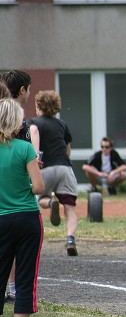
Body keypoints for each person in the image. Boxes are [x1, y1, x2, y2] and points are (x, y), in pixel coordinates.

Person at [0, 98, 45, 317]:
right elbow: (38, 187)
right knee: (26, 280)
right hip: (27, 218)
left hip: (1, 218)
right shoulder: (25, 148)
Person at [0, 71, 41, 304]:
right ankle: (14, 287)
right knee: (19, 246)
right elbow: (37, 184)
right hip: (21, 204)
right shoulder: (18, 121)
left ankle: (10, 286)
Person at [31, 90, 80, 256]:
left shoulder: (33, 123)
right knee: (70, 207)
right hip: (65, 168)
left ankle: (51, 204)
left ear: (39, 106)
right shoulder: (62, 124)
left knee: (42, 199)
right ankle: (70, 239)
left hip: (45, 168)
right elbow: (68, 151)